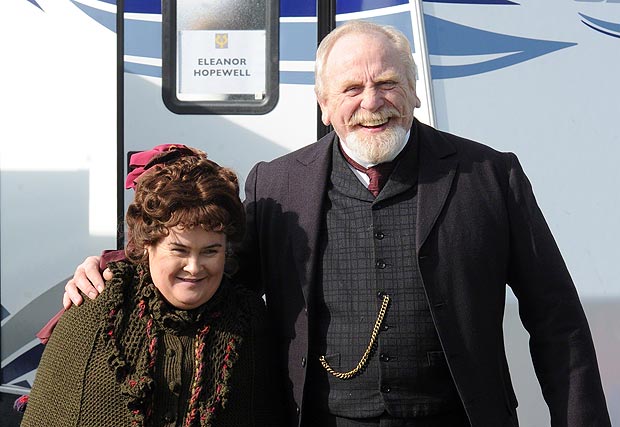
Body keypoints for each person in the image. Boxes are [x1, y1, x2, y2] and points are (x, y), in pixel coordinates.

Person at [62, 21, 610, 427]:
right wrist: (116, 268)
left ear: (415, 91)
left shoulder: (490, 175)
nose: (372, 103)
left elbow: (556, 317)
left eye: (389, 83)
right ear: (324, 104)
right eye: (350, 90)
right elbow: (211, 275)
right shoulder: (275, 184)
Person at [22, 145, 280, 426]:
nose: (194, 268)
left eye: (210, 251)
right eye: (179, 251)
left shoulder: (248, 322)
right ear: (147, 246)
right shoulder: (96, 314)